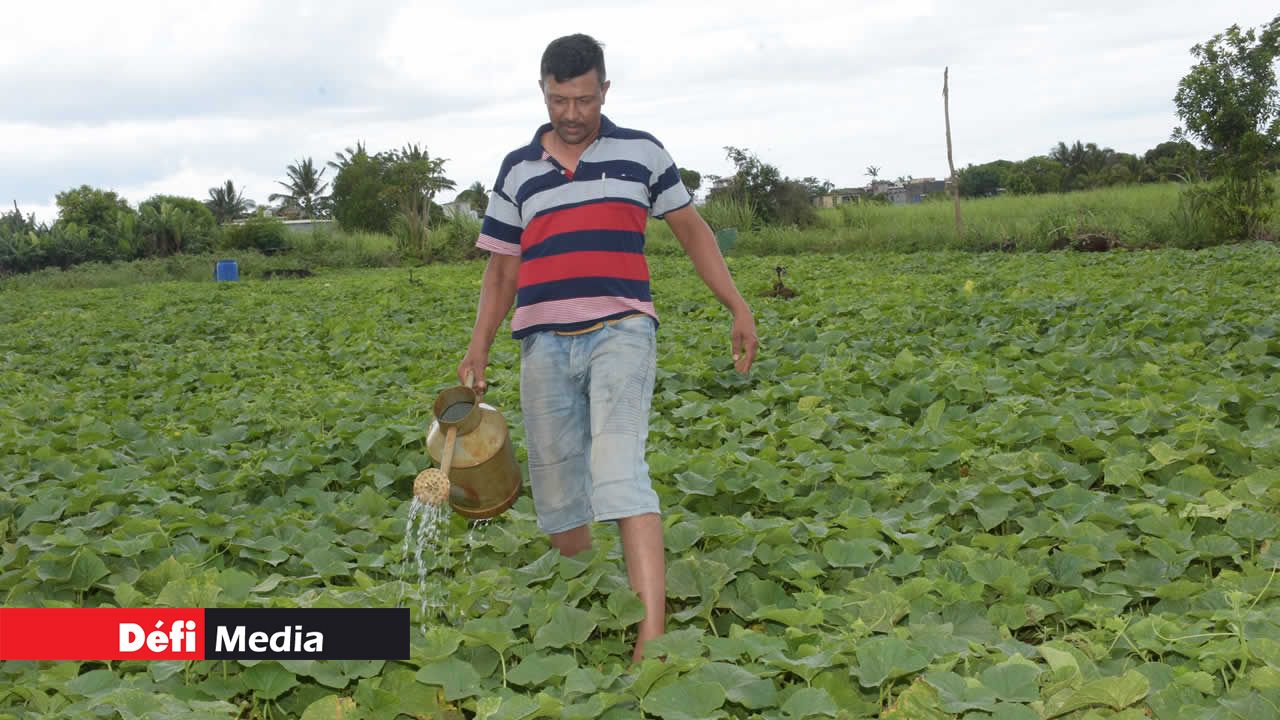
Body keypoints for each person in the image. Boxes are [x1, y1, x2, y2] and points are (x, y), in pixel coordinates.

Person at [457, 33, 758, 662]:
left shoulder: (641, 154)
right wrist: (478, 345)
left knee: (620, 473)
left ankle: (651, 639)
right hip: (541, 341)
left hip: (622, 331)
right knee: (559, 487)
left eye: (585, 100)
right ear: (542, 89)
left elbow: (692, 231)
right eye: (560, 99)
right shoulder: (517, 170)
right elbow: (502, 271)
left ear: (605, 91)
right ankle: (587, 602)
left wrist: (737, 304)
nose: (572, 113)